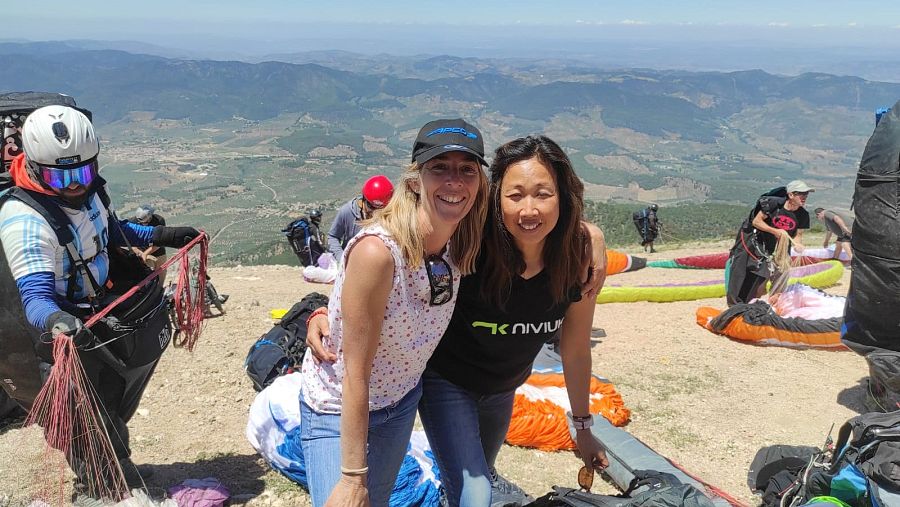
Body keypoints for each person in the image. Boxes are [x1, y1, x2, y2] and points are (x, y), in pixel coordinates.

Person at [307, 136, 610, 507]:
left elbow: (576, 349)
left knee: (477, 476)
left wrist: (583, 428)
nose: (529, 210)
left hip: (502, 390)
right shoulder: (472, 243)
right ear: (495, 197)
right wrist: (320, 311)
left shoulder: (575, 260)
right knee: (476, 495)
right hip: (446, 381)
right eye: (515, 195)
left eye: (543, 194)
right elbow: (375, 267)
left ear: (564, 196)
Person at [0, 105, 200, 486]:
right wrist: (59, 321)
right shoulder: (25, 220)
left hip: (96, 314)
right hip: (61, 334)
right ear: (38, 168)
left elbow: (109, 231)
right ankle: (99, 489)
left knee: (110, 403)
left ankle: (118, 474)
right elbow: (36, 298)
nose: (76, 184)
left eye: (84, 171)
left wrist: (163, 236)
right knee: (84, 420)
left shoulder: (89, 193)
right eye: (64, 177)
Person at [299, 118, 489, 507]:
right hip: (339, 406)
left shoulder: (461, 241)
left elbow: (533, 220)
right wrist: (352, 478)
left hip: (400, 402)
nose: (455, 181)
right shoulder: (378, 252)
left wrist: (589, 238)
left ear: (480, 183)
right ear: (416, 180)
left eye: (467, 170)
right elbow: (355, 371)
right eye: (440, 167)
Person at [726, 180, 812, 306]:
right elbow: (756, 222)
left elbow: (798, 236)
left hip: (781, 252)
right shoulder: (773, 205)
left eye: (806, 194)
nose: (804, 197)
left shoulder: (803, 215)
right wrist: (775, 231)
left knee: (780, 279)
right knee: (759, 285)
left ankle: (774, 308)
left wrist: (798, 245)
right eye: (801, 194)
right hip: (762, 246)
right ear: (791, 195)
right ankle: (748, 304)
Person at [326, 175, 394, 261]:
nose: (375, 212)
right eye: (371, 207)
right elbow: (333, 236)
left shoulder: (390, 215)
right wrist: (342, 258)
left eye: (380, 209)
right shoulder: (347, 212)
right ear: (363, 200)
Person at [130, 204, 168, 284]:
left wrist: (146, 253)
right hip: (141, 253)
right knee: (148, 278)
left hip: (159, 252)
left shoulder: (159, 221)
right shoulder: (132, 223)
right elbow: (130, 242)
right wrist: (140, 253)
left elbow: (160, 242)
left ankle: (160, 291)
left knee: (161, 279)